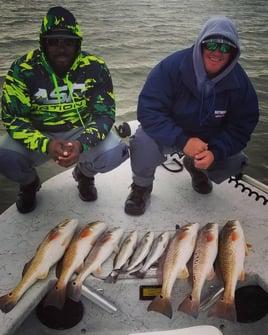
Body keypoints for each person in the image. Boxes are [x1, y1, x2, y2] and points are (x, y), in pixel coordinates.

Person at [124, 16, 259, 216]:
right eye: (212, 44)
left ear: (233, 53)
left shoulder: (240, 83)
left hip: (208, 141)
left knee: (235, 160)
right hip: (172, 133)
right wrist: (183, 140)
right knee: (143, 141)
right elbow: (149, 110)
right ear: (200, 44)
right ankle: (141, 187)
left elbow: (242, 126)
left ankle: (195, 167)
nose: (216, 52)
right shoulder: (171, 67)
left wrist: (215, 151)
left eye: (225, 48)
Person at [0, 6, 129, 213]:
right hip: (38, 131)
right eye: (53, 42)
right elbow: (13, 118)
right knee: (4, 157)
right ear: (43, 43)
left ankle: (85, 175)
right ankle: (29, 183)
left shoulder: (95, 67)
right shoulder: (22, 68)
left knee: (117, 153)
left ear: (78, 43)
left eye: (68, 42)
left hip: (80, 130)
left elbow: (104, 115)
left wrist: (81, 144)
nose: (62, 48)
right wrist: (45, 144)